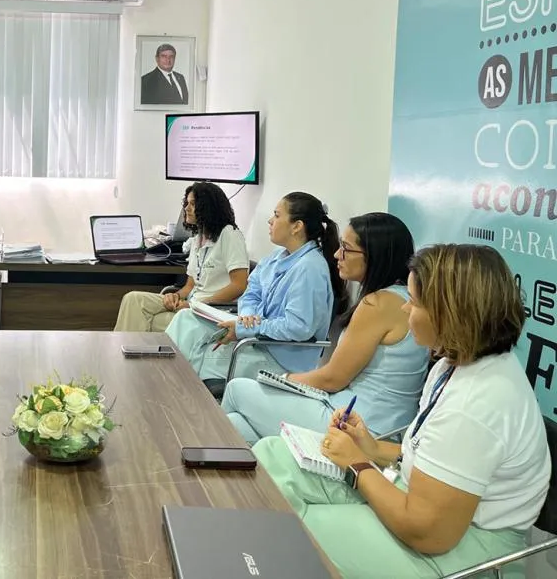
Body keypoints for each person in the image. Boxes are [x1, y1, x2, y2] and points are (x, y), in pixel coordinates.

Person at [254, 244, 550, 578]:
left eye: (416, 301)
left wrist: (357, 463)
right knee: (271, 455)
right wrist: (372, 447)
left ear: (449, 313)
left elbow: (428, 532)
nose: (406, 308)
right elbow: (434, 462)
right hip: (420, 501)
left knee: (297, 534)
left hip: (469, 550)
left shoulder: (479, 403)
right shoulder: (452, 364)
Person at [223, 213, 428, 443]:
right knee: (237, 426)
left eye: (346, 248)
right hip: (362, 418)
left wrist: (283, 379)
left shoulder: (378, 303)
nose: (337, 254)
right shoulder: (398, 297)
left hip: (358, 427)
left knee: (235, 390)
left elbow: (332, 379)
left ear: (375, 256)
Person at [166, 192, 346, 391]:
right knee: (186, 319)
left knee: (203, 359)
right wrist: (248, 316)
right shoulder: (277, 256)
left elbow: (298, 327)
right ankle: (163, 388)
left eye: (277, 216)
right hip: (258, 341)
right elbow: (252, 292)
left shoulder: (310, 268)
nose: (270, 221)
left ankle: (173, 399)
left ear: (297, 226)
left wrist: (250, 327)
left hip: (281, 358)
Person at [114, 182, 249, 332]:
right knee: (133, 299)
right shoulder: (198, 238)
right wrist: (175, 296)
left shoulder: (230, 234)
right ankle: (128, 352)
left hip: (211, 311)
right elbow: (190, 286)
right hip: (192, 304)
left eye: (193, 204)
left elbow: (239, 285)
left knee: (147, 319)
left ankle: (128, 353)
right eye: (186, 203)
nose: (186, 208)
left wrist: (197, 305)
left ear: (208, 208)